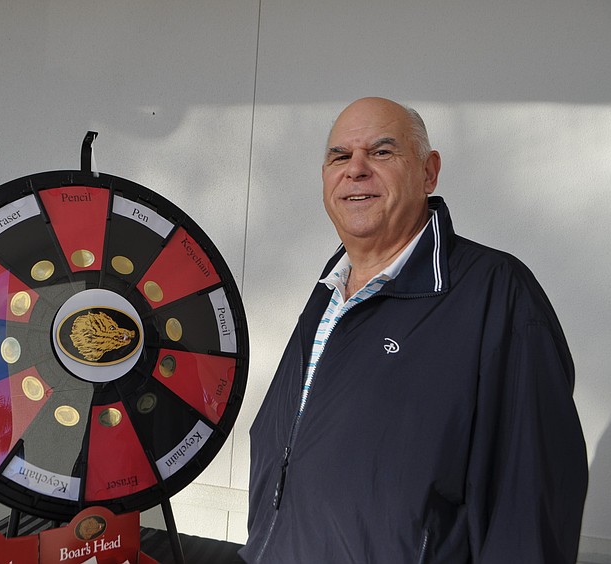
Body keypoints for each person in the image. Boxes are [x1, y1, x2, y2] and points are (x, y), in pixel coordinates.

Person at [240, 97, 588, 563]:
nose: (356, 170)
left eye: (382, 152)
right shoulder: (331, 289)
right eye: (340, 156)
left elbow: (532, 503)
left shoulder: (495, 293)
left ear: (429, 172)